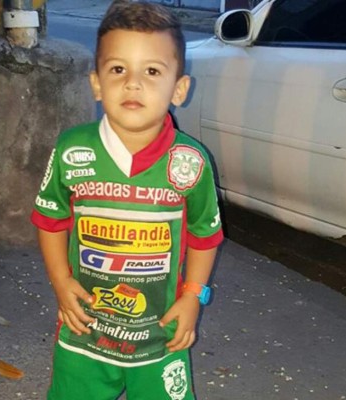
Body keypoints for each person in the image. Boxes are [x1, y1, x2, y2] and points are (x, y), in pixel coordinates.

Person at [31, 1, 223, 399]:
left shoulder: (190, 162)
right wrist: (61, 282)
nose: (133, 84)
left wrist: (193, 296)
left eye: (152, 71)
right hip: (84, 331)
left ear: (179, 88)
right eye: (118, 69)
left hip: (161, 335)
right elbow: (50, 220)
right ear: (96, 83)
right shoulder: (72, 149)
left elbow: (205, 236)